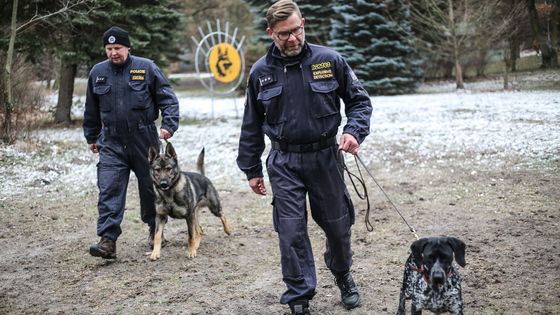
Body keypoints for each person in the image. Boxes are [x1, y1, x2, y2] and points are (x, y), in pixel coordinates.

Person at [236, 1, 372, 314]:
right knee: (290, 230)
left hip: (326, 157)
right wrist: (251, 169)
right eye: (284, 34)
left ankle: (342, 274)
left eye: (297, 30)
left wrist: (354, 131)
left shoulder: (330, 60)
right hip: (284, 162)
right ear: (271, 33)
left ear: (303, 24)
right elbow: (251, 125)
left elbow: (359, 102)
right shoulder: (260, 73)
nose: (293, 38)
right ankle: (299, 295)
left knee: (338, 226)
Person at [83, 26, 180, 259]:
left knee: (150, 189)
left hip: (144, 140)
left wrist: (168, 125)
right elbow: (91, 109)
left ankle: (155, 231)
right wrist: (92, 136)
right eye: (109, 48)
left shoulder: (146, 68)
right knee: (109, 188)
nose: (113, 53)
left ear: (128, 47)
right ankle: (108, 240)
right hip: (112, 141)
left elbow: (168, 99)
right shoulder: (97, 72)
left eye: (118, 48)